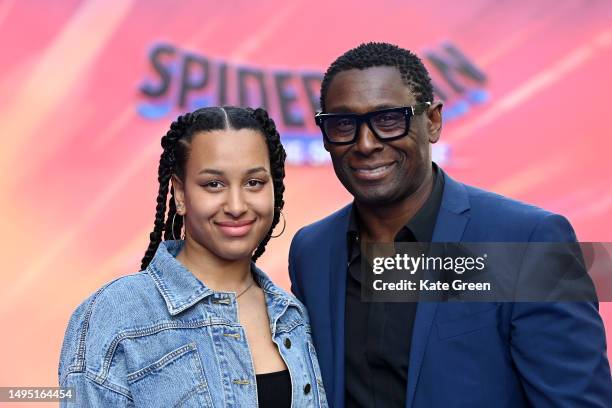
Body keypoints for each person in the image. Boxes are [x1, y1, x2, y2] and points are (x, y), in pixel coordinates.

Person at [288, 42, 612, 407]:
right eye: (344, 124)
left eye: (389, 119)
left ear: (433, 121)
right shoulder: (311, 250)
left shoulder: (528, 242)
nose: (365, 144)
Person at [59, 106, 328, 407]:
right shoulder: (115, 315)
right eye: (214, 184)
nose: (237, 205)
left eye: (254, 183)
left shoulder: (294, 316)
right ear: (180, 194)